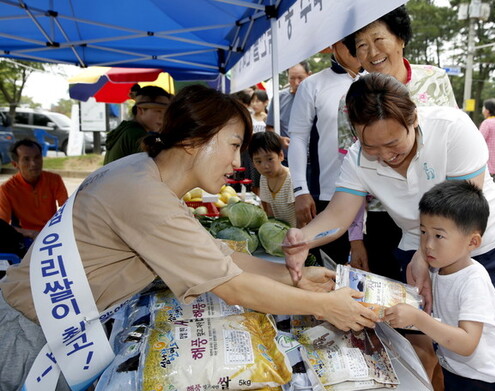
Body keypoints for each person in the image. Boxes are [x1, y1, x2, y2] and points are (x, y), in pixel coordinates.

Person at [0, 85, 377, 390]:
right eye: (233, 145)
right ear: (197, 138)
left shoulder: (142, 173)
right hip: (29, 335)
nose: (236, 163)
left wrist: (292, 277)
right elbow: (233, 287)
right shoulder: (142, 193)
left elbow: (214, 253)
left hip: (52, 327)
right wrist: (326, 307)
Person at [284, 74, 495, 368]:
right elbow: (337, 214)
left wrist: (423, 257)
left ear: (412, 118)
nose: (385, 156)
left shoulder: (452, 129)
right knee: (435, 346)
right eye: (371, 147)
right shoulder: (357, 158)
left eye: (392, 143)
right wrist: (304, 238)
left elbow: (459, 213)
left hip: (489, 248)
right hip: (422, 251)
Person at [338, 5, 457, 279]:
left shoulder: (434, 79)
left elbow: (453, 143)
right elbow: (349, 172)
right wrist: (355, 240)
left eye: (379, 39)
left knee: (444, 298)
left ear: (400, 39)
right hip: (384, 214)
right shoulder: (350, 102)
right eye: (362, 46)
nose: (373, 52)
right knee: (393, 303)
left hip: (441, 212)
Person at [384, 180, 495, 390]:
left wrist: (417, 318)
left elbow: (467, 343)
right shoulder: (438, 269)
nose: (428, 244)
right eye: (423, 232)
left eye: (439, 235)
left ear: (473, 242)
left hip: (487, 380)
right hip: (457, 370)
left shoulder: (473, 281)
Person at [287, 40, 362, 265]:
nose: (358, 47)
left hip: (376, 199)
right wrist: (300, 189)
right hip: (329, 197)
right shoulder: (313, 85)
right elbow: (298, 137)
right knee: (330, 271)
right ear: (333, 44)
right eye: (352, 41)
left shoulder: (378, 80)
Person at [0, 139, 68, 239]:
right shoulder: (6, 189)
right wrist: (31, 233)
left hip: (52, 234)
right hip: (25, 237)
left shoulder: (54, 180)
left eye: (37, 157)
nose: (34, 163)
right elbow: (2, 227)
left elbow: (67, 211)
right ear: (15, 164)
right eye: (26, 159)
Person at [103, 85, 172, 165]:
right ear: (140, 110)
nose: (163, 117)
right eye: (158, 111)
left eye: (166, 113)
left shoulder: (126, 129)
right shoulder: (135, 134)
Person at [265, 61, 311, 159]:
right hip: (286, 158)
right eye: (292, 78)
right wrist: (279, 139)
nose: (296, 82)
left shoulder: (316, 97)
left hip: (313, 157)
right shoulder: (279, 98)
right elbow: (269, 128)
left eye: (300, 78)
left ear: (309, 75)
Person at [249, 131, 296, 227]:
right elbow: (269, 211)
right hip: (279, 234)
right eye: (258, 161)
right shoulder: (263, 178)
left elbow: (302, 215)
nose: (265, 166)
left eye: (270, 159)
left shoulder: (291, 179)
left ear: (281, 156)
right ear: (253, 163)